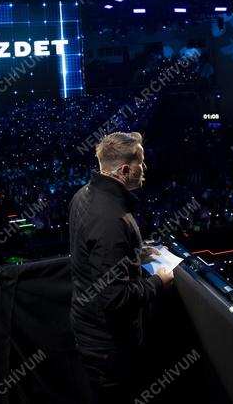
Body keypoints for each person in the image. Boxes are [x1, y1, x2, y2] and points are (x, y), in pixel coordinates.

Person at [69, 131, 174, 403]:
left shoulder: (82, 195)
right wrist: (159, 282)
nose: (146, 168)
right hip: (109, 347)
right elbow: (116, 298)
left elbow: (94, 256)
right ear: (126, 170)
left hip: (90, 332)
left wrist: (134, 255)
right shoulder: (112, 220)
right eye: (142, 161)